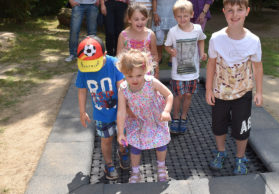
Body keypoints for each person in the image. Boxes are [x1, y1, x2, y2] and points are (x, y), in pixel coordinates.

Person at [205, 0, 263, 175]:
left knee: (242, 128)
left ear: (247, 11)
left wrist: (259, 92)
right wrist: (208, 89)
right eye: (230, 10)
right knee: (218, 126)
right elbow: (211, 64)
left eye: (239, 10)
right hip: (220, 93)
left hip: (242, 93)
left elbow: (258, 67)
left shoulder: (253, 40)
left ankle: (240, 157)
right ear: (224, 12)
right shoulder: (216, 38)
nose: (235, 14)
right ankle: (221, 153)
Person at [75, 35, 130, 180]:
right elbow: (81, 89)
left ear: (104, 54)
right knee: (106, 140)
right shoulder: (83, 68)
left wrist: (126, 108)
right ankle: (109, 164)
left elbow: (121, 87)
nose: (91, 67)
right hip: (101, 114)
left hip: (119, 111)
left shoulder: (113, 63)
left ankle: (123, 152)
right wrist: (82, 111)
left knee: (123, 136)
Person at [116, 49, 173, 183]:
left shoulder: (151, 82)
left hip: (155, 118)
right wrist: (120, 133)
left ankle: (161, 167)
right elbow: (121, 111)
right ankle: (135, 172)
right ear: (123, 73)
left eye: (139, 75)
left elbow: (169, 95)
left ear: (146, 70)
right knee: (135, 146)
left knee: (161, 144)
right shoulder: (123, 89)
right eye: (130, 76)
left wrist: (166, 111)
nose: (135, 79)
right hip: (137, 120)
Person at [165, 0, 207, 134]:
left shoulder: (197, 29)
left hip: (192, 72)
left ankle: (184, 117)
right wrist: (170, 51)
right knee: (178, 96)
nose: (182, 19)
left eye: (185, 16)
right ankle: (175, 117)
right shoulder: (173, 31)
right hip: (178, 72)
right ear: (175, 16)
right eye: (179, 16)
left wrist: (202, 52)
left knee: (188, 95)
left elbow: (201, 39)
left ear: (192, 14)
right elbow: (167, 45)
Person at [117, 3, 159, 78]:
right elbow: (119, 57)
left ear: (147, 19)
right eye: (136, 19)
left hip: (146, 72)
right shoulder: (123, 36)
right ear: (129, 20)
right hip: (129, 73)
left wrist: (157, 72)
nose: (140, 22)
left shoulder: (150, 34)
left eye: (143, 19)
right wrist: (120, 75)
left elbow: (154, 54)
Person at [152, 0, 177, 67]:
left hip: (173, 13)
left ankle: (172, 55)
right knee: (159, 36)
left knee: (173, 35)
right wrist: (155, 13)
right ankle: (159, 54)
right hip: (159, 13)